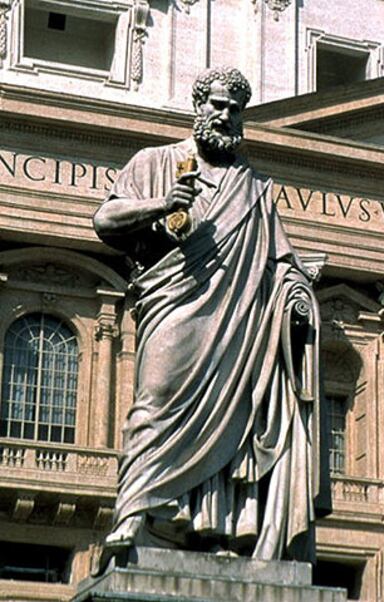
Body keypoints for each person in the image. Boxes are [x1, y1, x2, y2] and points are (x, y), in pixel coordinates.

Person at [93, 66, 330, 574]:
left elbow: (280, 263)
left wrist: (296, 295)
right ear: (198, 106)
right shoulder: (155, 162)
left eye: (234, 109)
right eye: (217, 105)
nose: (225, 116)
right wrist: (160, 204)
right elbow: (104, 221)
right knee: (155, 403)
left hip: (241, 322)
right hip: (176, 305)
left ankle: (215, 530)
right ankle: (136, 511)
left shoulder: (257, 189)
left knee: (237, 423)